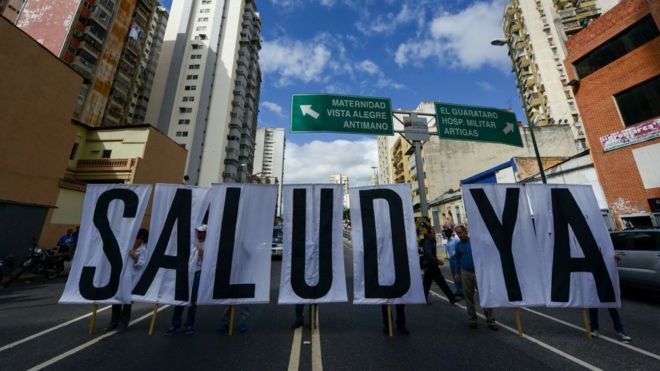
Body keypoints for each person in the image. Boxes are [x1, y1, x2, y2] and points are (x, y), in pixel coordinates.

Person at [454, 225, 497, 330]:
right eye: (457, 233)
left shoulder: (475, 242)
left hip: (478, 272)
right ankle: (472, 319)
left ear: (465, 232)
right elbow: (456, 259)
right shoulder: (458, 246)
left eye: (460, 232)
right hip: (465, 272)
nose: (459, 235)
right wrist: (456, 272)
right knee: (468, 296)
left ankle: (491, 320)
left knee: (484, 295)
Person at [165, 224, 206, 336]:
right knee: (180, 298)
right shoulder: (192, 242)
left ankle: (189, 325)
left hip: (198, 273)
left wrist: (201, 250)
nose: (199, 233)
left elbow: (205, 263)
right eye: (198, 231)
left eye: (201, 231)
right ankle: (175, 325)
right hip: (187, 273)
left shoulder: (208, 245)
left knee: (193, 300)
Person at [106, 228, 149, 333]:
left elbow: (142, 265)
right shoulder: (127, 246)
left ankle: (123, 324)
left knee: (127, 301)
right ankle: (113, 322)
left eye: (142, 239)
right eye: (138, 237)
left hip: (131, 279)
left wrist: (135, 257)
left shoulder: (143, 250)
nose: (139, 240)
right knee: (116, 300)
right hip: (120, 276)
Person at [589, 255, 632, 343]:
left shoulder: (606, 246)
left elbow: (611, 257)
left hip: (605, 278)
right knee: (593, 304)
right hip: (593, 277)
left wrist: (615, 259)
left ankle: (620, 330)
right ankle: (594, 328)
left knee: (611, 305)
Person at [419, 221, 457, 305]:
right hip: (429, 267)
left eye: (434, 233)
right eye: (432, 233)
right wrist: (437, 261)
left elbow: (433, 254)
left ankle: (452, 298)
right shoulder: (427, 242)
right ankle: (423, 299)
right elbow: (429, 254)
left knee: (442, 283)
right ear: (428, 234)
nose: (434, 234)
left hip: (433, 266)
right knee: (426, 285)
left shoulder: (433, 241)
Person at [445, 232, 463, 297]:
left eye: (447, 234)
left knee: (458, 274)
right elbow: (447, 250)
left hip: (456, 258)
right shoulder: (448, 241)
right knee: (454, 275)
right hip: (451, 259)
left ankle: (463, 291)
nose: (446, 235)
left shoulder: (455, 239)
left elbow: (460, 246)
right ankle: (458, 291)